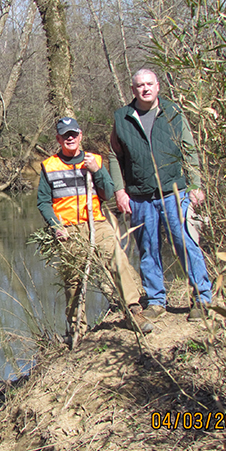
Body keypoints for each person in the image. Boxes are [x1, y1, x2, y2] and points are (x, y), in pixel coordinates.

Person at [109, 68, 212, 322]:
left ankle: (201, 298)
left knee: (186, 243)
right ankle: (156, 300)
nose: (145, 89)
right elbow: (114, 155)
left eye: (149, 84)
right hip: (140, 196)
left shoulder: (173, 112)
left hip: (174, 192)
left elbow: (189, 149)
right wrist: (120, 191)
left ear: (157, 86)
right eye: (139, 85)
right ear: (133, 90)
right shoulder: (122, 117)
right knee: (147, 248)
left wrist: (195, 183)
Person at [37, 116, 153, 334]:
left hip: (97, 224)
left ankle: (134, 313)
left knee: (118, 260)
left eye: (73, 134)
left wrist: (96, 171)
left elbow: (108, 193)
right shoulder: (49, 166)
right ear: (58, 139)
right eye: (65, 135)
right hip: (68, 229)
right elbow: (43, 202)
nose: (70, 138)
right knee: (72, 279)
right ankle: (77, 329)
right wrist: (55, 226)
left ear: (80, 135)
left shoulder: (95, 161)